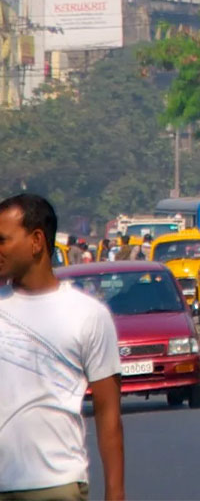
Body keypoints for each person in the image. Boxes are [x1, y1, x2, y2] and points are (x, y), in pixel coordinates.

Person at [0, 194, 125, 501]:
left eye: (2, 240)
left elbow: (108, 414)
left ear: (36, 241)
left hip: (56, 486)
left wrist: (115, 493)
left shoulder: (88, 315)